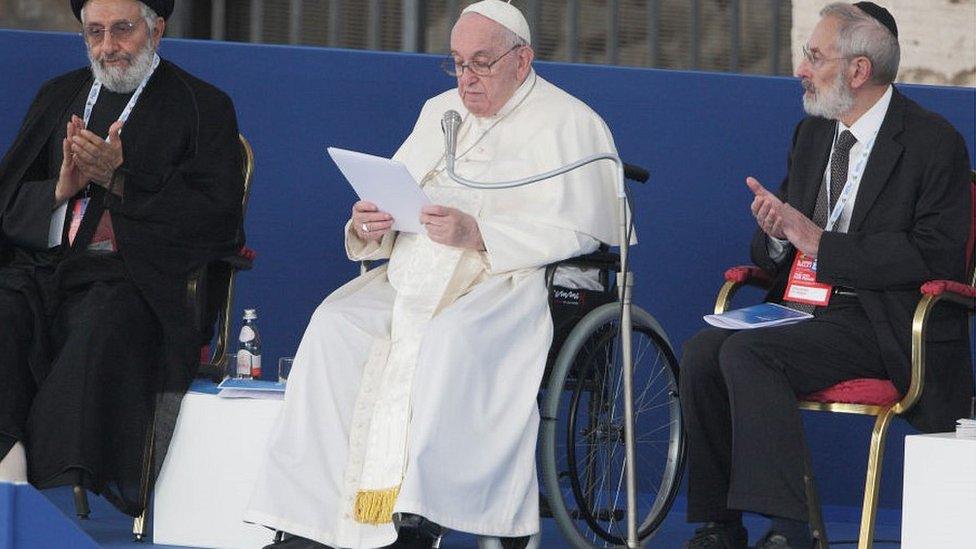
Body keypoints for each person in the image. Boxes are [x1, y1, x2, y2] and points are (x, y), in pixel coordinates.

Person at [244, 1, 625, 548]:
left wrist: (480, 235)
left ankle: (419, 516)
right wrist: (371, 222)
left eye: (482, 63)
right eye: (457, 63)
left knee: (447, 338)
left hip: (508, 282)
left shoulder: (573, 123)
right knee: (336, 324)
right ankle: (313, 519)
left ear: (523, 60)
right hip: (415, 273)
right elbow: (403, 196)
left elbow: (585, 234)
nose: (467, 79)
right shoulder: (439, 110)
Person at [679, 3, 972, 548]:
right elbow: (779, 253)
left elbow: (937, 256)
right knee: (702, 351)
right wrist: (774, 232)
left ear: (858, 71)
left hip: (882, 318)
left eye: (814, 56)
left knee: (748, 354)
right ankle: (720, 526)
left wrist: (822, 244)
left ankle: (792, 532)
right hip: (802, 308)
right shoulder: (813, 136)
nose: (801, 69)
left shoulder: (934, 144)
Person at [0, 0, 244, 517]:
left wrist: (119, 179)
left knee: (103, 320)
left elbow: (215, 220)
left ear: (156, 30)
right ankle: (8, 464)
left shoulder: (203, 105)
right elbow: (8, 201)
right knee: (5, 307)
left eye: (121, 30)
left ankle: (58, 491)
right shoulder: (58, 96)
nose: (107, 46)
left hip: (136, 276)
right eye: (95, 32)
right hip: (49, 267)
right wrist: (60, 190)